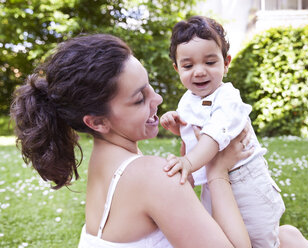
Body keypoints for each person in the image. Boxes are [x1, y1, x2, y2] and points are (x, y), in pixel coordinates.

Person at [10, 33, 254, 248]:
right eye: (139, 99)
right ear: (97, 122)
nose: (157, 98)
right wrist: (217, 170)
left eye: (149, 86)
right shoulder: (151, 176)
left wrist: (187, 147)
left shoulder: (104, 165)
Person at [160, 15, 285, 248]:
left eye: (210, 62)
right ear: (177, 68)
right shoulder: (188, 101)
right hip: (213, 179)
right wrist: (181, 130)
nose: (199, 72)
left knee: (259, 237)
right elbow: (194, 139)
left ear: (226, 63)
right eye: (188, 65)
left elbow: (214, 136)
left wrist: (188, 162)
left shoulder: (228, 97)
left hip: (246, 180)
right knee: (221, 233)